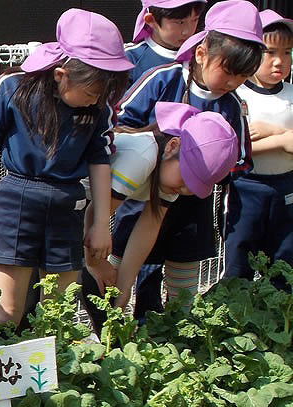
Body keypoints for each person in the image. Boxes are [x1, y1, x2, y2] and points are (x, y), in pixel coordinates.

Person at [0, 8, 132, 327]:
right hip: (17, 200)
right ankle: (4, 371)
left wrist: (100, 224)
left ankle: (54, 375)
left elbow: (100, 159)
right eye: (92, 93)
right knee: (8, 311)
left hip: (69, 204)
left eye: (102, 95)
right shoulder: (13, 87)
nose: (96, 102)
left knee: (59, 312)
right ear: (61, 74)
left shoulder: (99, 108)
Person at [114, 0, 262, 311]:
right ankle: (127, 333)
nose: (234, 83)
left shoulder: (232, 105)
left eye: (243, 76)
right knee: (135, 273)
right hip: (143, 198)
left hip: (193, 207)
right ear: (202, 54)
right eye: (229, 72)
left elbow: (237, 162)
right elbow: (121, 125)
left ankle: (176, 339)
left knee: (183, 291)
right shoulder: (162, 79)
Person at [82, 103, 239, 326]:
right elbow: (95, 215)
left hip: (80, 215)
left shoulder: (168, 178)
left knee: (105, 293)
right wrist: (95, 264)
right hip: (64, 209)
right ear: (172, 146)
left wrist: (125, 287)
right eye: (186, 180)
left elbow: (149, 226)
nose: (185, 191)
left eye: (192, 187)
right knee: (86, 284)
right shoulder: (142, 157)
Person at [226, 10, 293, 281]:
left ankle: (279, 321)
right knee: (238, 260)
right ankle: (234, 320)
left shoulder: (291, 93)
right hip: (246, 187)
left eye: (287, 52)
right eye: (270, 52)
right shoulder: (235, 95)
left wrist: (273, 133)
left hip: (287, 186)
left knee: (285, 263)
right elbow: (232, 147)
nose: (280, 62)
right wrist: (284, 140)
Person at [127, 0, 206, 84]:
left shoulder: (204, 55)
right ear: (151, 20)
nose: (187, 31)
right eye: (180, 22)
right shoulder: (129, 58)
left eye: (195, 20)